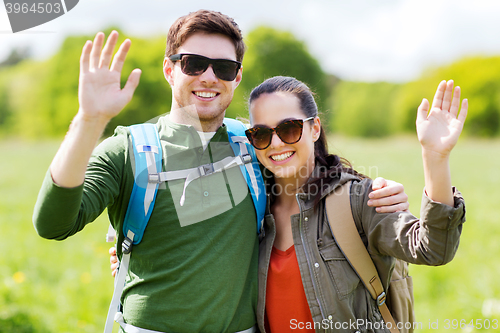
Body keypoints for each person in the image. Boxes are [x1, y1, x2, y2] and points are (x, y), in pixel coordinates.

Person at [33, 10, 409, 333]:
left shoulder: (255, 144)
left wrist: (371, 187)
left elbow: (310, 173)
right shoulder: (128, 149)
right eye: (194, 64)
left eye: (224, 67)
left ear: (237, 77)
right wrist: (89, 119)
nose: (209, 77)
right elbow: (52, 224)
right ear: (170, 69)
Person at [238, 76, 466, 332]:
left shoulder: (357, 199)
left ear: (314, 129)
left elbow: (433, 249)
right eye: (261, 134)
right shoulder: (253, 211)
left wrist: (435, 158)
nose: (276, 143)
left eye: (289, 128)